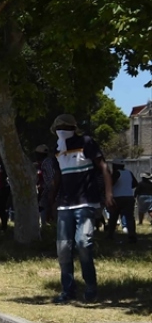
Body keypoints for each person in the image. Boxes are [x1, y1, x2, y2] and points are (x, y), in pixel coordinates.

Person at [45, 114, 113, 303]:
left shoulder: (86, 142)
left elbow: (104, 167)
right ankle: (68, 291)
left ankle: (91, 287)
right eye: (59, 128)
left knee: (83, 243)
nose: (62, 130)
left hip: (86, 203)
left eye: (65, 127)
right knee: (63, 248)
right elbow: (58, 177)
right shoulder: (58, 148)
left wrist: (108, 194)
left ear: (74, 128)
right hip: (65, 205)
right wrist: (50, 203)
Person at [106, 163, 137, 243]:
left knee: (113, 217)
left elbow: (111, 183)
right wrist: (126, 187)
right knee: (130, 217)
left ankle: (110, 235)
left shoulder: (117, 173)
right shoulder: (129, 172)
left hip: (118, 197)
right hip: (129, 197)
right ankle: (132, 235)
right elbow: (135, 184)